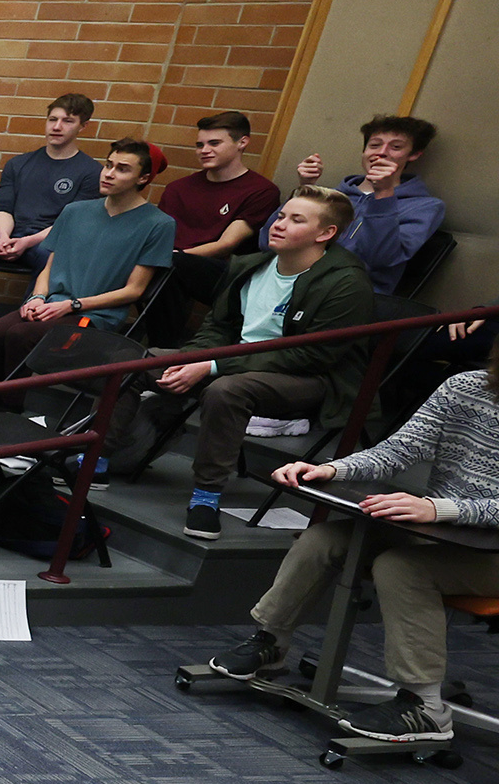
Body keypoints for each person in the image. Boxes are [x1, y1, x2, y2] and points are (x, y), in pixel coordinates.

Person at [213, 327, 499, 746]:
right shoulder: (464, 388)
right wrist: (331, 469)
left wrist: (440, 508)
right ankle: (271, 642)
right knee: (325, 539)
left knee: (402, 567)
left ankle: (426, 707)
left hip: (485, 550)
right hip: (443, 531)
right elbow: (400, 450)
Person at [157, 187, 374, 540]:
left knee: (226, 390)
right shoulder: (250, 266)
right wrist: (193, 358)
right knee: (142, 363)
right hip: (240, 363)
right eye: (281, 215)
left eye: (296, 220)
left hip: (310, 379)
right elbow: (218, 326)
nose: (279, 224)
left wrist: (213, 366)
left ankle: (205, 498)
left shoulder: (347, 283)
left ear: (325, 234)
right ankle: (99, 463)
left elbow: (312, 355)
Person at [0, 141, 174, 391]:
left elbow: (134, 291)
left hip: (92, 315)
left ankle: (9, 409)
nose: (109, 173)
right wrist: (36, 297)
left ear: (143, 178)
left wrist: (72, 305)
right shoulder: (74, 211)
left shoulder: (158, 224)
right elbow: (49, 267)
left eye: (122, 169)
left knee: (20, 336)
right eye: (108, 165)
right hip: (51, 304)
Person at [150, 111, 283, 344]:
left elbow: (226, 245)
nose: (204, 150)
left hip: (226, 274)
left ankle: (161, 349)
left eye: (214, 143)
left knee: (173, 265)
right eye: (199, 145)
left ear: (242, 143)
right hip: (169, 263)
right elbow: (158, 234)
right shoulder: (178, 188)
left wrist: (169, 256)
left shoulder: (261, 190)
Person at [297, 116, 445, 296]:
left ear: (414, 154)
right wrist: (306, 189)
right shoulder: (333, 196)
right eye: (374, 145)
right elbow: (268, 242)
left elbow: (380, 258)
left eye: (396, 147)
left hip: (354, 294)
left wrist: (383, 194)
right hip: (297, 281)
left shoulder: (425, 207)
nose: (381, 153)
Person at [0, 92, 100, 277]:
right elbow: (4, 209)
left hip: (48, 241)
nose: (57, 127)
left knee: (51, 255)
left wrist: (27, 242)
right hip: (8, 233)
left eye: (67, 121)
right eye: (52, 119)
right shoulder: (17, 164)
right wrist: (3, 238)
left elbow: (71, 224)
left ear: (83, 126)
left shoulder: (92, 172)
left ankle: (32, 306)